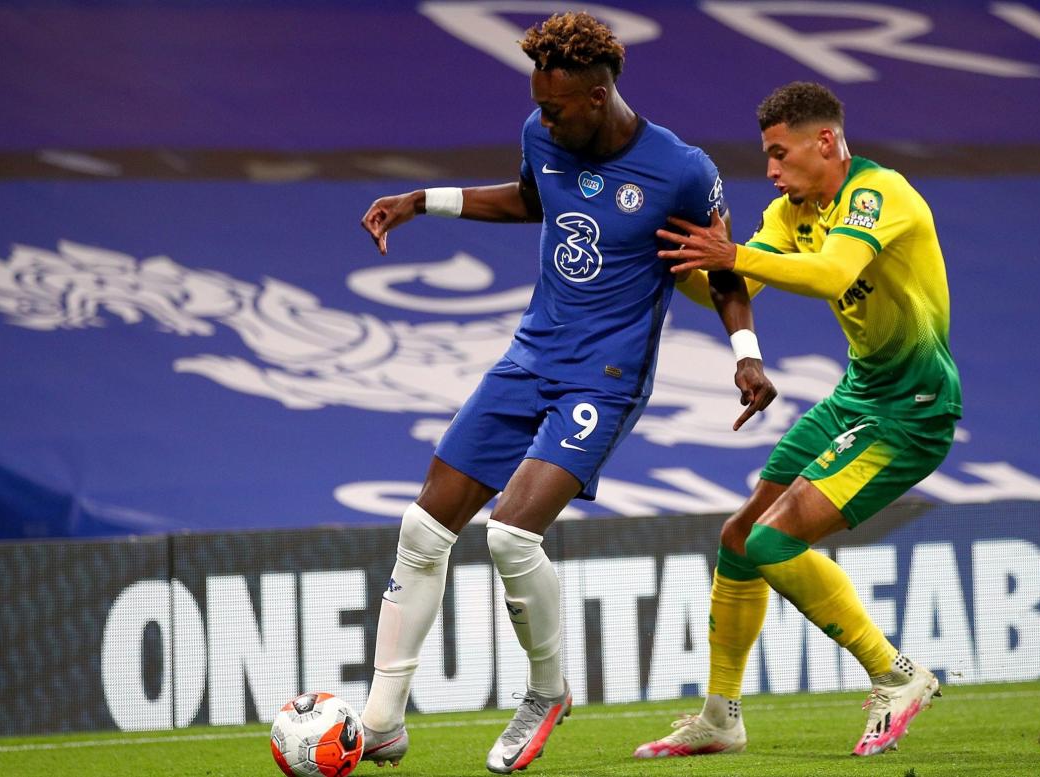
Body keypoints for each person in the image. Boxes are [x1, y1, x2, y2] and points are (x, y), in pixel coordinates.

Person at [357, 12, 775, 774]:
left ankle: (546, 691)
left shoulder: (680, 168)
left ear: (599, 94)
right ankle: (382, 721)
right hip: (529, 356)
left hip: (605, 377)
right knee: (423, 530)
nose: (541, 119)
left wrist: (744, 354)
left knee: (512, 535)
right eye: (538, 106)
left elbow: (721, 268)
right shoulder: (543, 133)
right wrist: (423, 200)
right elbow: (530, 198)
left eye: (555, 108)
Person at [634, 81, 961, 759]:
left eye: (780, 153)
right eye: (767, 156)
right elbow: (735, 283)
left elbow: (832, 274)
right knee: (738, 536)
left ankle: (898, 675)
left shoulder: (879, 195)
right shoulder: (791, 212)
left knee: (772, 542)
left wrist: (732, 257)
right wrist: (675, 258)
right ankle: (720, 717)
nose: (772, 169)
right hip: (859, 392)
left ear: (826, 141)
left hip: (914, 408)